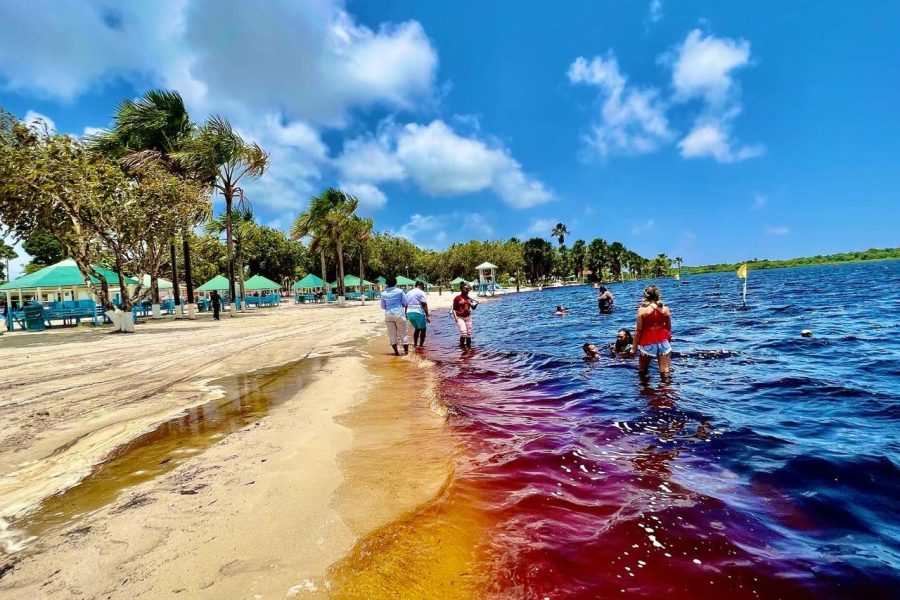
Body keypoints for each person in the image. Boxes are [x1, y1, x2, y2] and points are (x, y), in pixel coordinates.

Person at [634, 285, 672, 376]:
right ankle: (667, 389)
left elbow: (638, 330)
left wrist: (633, 348)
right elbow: (668, 328)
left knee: (643, 370)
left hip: (647, 343)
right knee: (665, 371)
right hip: (663, 342)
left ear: (645, 296)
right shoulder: (665, 309)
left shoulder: (642, 310)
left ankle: (646, 389)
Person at [380, 275, 409, 355]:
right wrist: (400, 305)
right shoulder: (400, 291)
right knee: (404, 334)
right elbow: (406, 303)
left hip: (388, 315)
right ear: (395, 282)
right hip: (399, 313)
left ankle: (396, 352)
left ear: (386, 283)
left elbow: (382, 306)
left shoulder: (383, 293)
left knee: (392, 335)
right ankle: (406, 353)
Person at [406, 280, 431, 348]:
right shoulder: (421, 292)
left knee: (417, 329)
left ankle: (415, 344)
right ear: (420, 286)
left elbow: (406, 304)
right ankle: (421, 346)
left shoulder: (409, 292)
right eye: (423, 286)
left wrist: (406, 314)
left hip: (409, 313)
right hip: (418, 312)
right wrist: (427, 315)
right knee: (423, 330)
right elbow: (424, 304)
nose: (424, 288)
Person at [453, 282, 478, 349]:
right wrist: (456, 318)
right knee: (464, 332)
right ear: (461, 289)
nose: (467, 290)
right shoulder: (457, 298)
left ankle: (469, 348)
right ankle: (462, 347)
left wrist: (475, 305)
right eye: (466, 289)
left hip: (468, 318)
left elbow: (473, 308)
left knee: (469, 334)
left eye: (468, 289)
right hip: (460, 318)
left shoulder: (469, 298)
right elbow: (454, 309)